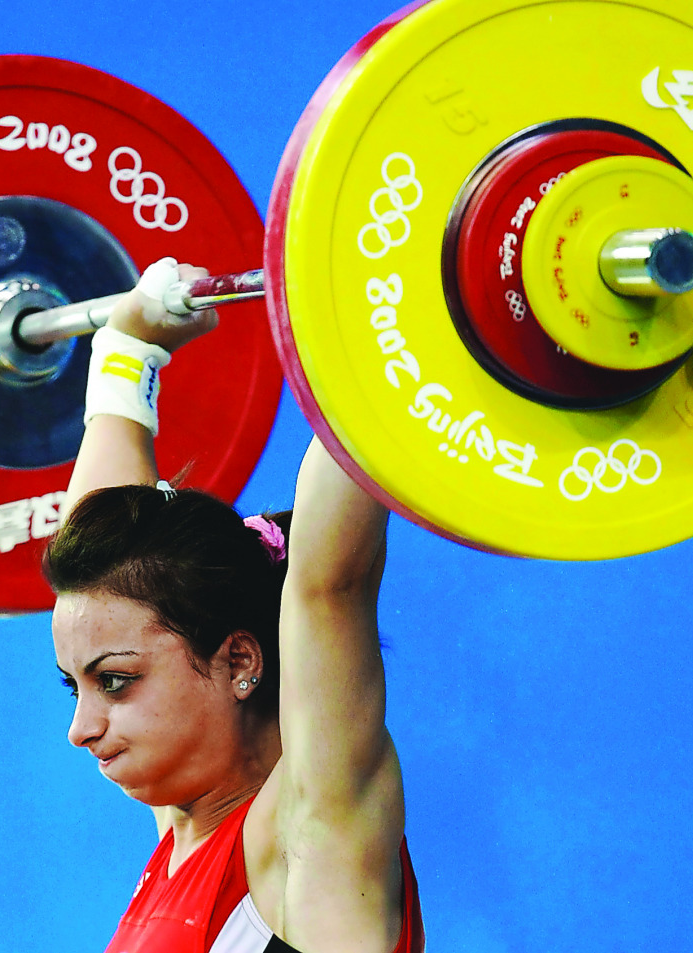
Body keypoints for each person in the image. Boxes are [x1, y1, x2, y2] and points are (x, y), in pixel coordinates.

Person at [43, 258, 425, 953]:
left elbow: (329, 582)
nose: (81, 727)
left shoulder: (310, 838)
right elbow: (104, 566)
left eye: (116, 681)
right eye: (77, 683)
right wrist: (125, 355)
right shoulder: (186, 828)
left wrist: (389, 329)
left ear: (240, 660)